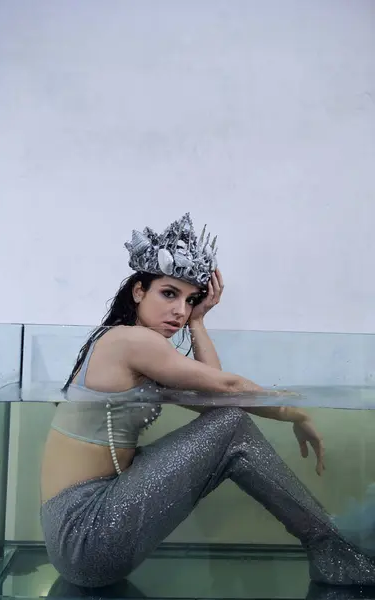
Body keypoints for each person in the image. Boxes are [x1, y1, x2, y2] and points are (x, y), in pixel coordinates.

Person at [40, 213, 375, 588]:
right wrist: (293, 412)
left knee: (229, 426)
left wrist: (199, 323)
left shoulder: (135, 349)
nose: (181, 311)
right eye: (169, 293)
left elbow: (212, 400)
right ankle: (330, 549)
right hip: (87, 534)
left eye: (191, 300)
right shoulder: (132, 342)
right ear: (139, 291)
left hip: (80, 536)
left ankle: (330, 546)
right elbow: (226, 389)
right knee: (232, 426)